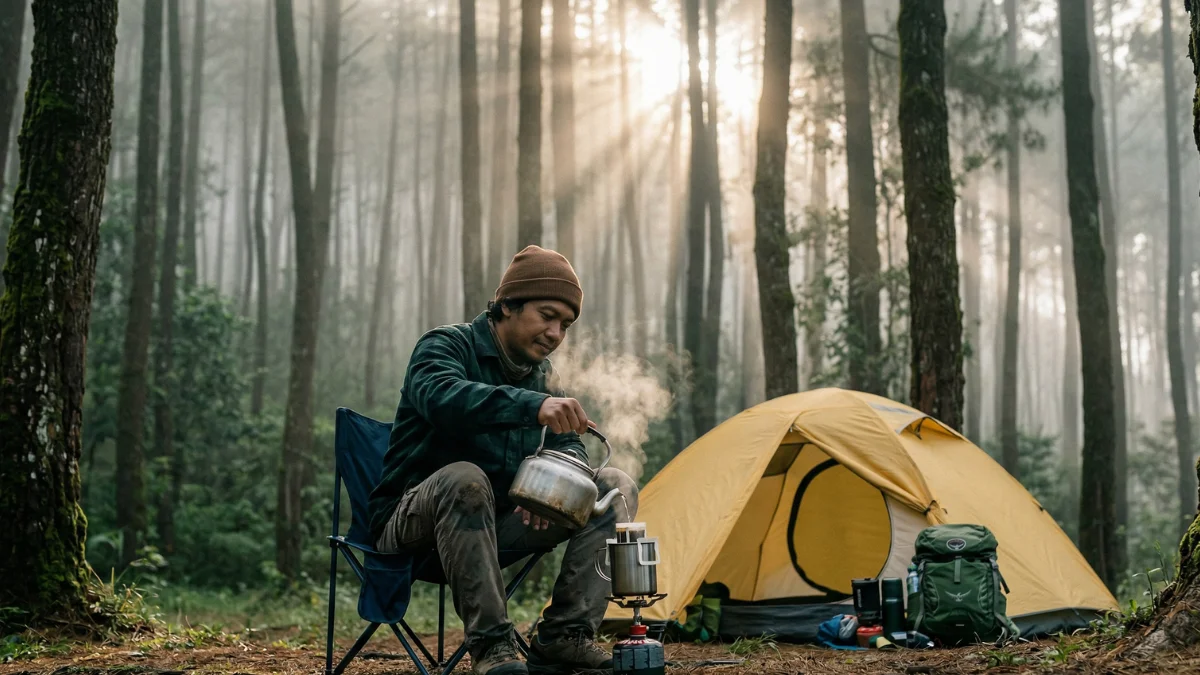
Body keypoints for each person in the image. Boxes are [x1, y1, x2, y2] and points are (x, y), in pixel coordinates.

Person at [369, 245, 639, 675]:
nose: (555, 333)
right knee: (464, 479)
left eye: (565, 325)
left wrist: (553, 484)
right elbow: (442, 400)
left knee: (613, 488)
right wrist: (531, 406)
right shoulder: (445, 346)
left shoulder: (545, 375)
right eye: (547, 315)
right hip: (412, 525)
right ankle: (493, 648)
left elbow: (567, 445)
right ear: (508, 306)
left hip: (500, 527)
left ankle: (564, 636)